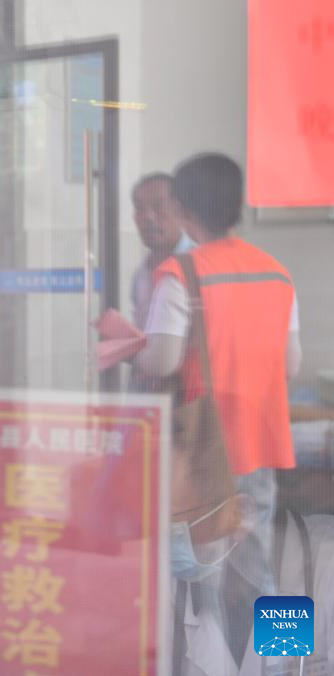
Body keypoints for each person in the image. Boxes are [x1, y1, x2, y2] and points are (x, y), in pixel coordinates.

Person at [133, 153, 301, 479]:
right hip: (260, 444)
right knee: (253, 513)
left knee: (199, 516)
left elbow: (162, 363)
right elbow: (289, 366)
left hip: (203, 444)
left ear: (181, 209)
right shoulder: (277, 273)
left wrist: (132, 351)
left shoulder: (181, 273)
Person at [168, 437, 333, 676]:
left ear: (240, 514)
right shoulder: (168, 587)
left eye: (182, 523)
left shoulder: (326, 564)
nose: (172, 539)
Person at [128, 173, 194, 392]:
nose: (147, 217)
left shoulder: (198, 266)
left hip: (188, 398)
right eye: (139, 208)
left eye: (158, 206)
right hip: (146, 395)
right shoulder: (141, 274)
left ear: (180, 211)